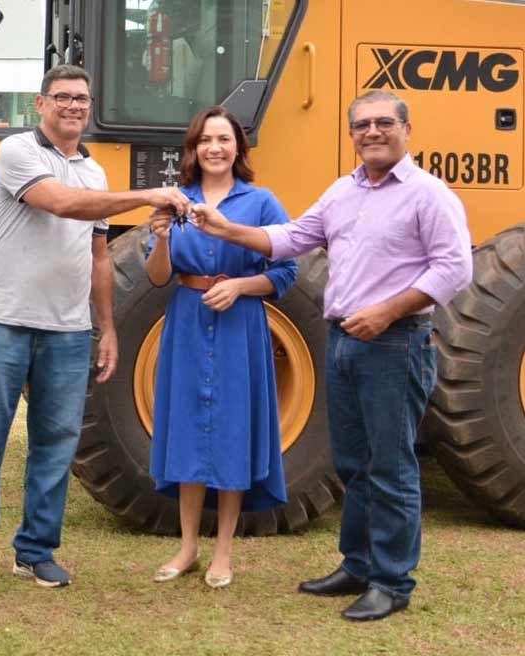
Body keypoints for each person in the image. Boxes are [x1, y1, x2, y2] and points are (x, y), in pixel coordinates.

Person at [190, 90, 472, 620]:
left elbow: (454, 268)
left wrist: (388, 311)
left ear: (407, 130)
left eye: (383, 123)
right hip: (342, 339)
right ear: (351, 135)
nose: (372, 132)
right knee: (353, 464)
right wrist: (226, 228)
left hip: (395, 342)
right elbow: (294, 237)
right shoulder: (343, 193)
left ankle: (391, 582)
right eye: (362, 125)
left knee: (390, 466)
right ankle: (358, 564)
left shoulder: (429, 195)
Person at [0, 64, 190, 592]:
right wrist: (147, 196)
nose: (73, 106)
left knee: (55, 445)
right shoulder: (17, 153)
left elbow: (99, 256)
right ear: (41, 104)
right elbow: (61, 204)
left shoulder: (96, 172)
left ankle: (35, 551)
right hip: (4, 322)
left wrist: (108, 328)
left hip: (68, 331)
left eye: (81, 98)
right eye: (63, 98)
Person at [144, 106, 296, 589]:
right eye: (205, 140)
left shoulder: (262, 201)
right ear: (193, 149)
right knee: (188, 431)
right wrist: (162, 239)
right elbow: (157, 277)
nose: (214, 148)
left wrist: (240, 288)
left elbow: (287, 270)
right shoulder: (177, 201)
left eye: (224, 139)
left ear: (238, 148)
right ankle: (188, 546)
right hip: (186, 323)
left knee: (232, 433)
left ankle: (224, 552)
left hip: (239, 326)